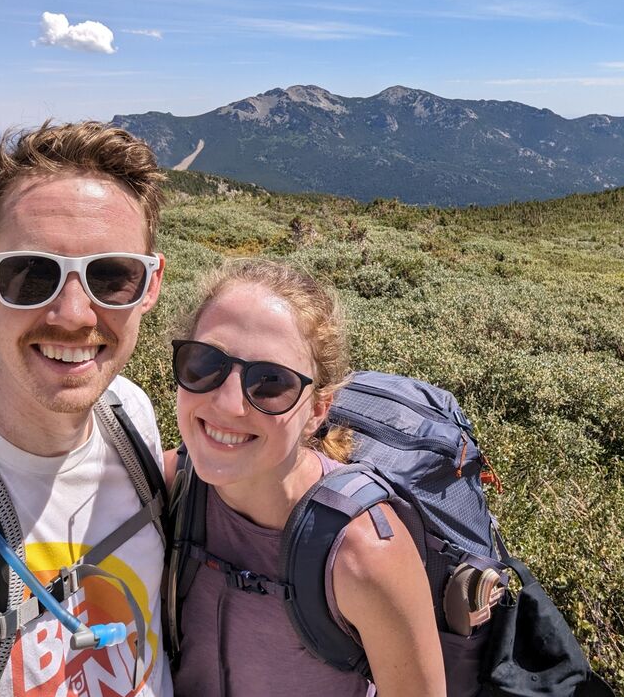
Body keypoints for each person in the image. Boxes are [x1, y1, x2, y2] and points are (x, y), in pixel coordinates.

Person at [0, 121, 173, 696]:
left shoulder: (131, 417)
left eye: (112, 275)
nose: (75, 314)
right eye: (30, 274)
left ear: (151, 287)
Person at [169, 259, 446, 697]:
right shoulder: (169, 486)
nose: (227, 403)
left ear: (318, 409)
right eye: (205, 362)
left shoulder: (364, 554)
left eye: (270, 382)